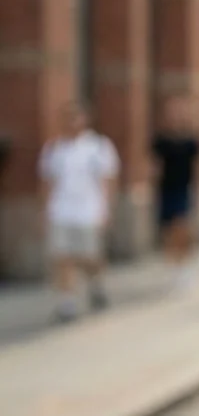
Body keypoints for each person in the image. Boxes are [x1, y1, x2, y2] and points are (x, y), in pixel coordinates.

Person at [38, 102, 119, 322]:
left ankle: (96, 285)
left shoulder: (98, 147)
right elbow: (47, 182)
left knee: (88, 256)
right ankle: (67, 303)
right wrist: (45, 210)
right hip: (61, 210)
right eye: (67, 118)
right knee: (62, 256)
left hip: (89, 210)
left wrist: (105, 209)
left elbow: (107, 180)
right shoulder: (54, 148)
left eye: (75, 117)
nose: (71, 123)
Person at [151, 96, 199, 291]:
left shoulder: (191, 142)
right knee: (168, 233)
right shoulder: (161, 141)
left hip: (184, 189)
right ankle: (175, 267)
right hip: (166, 190)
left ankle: (186, 267)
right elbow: (155, 167)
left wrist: (198, 190)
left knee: (181, 229)